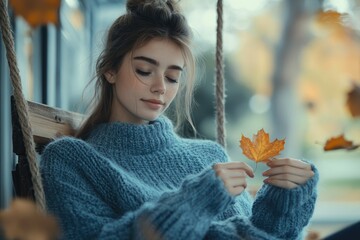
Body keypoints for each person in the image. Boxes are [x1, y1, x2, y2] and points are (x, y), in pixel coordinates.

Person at [40, 0, 319, 239]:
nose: (161, 87)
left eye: (173, 77)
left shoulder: (210, 156)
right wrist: (194, 201)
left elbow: (249, 233)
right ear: (110, 70)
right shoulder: (71, 159)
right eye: (144, 70)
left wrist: (286, 201)